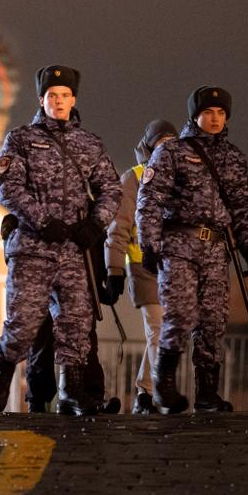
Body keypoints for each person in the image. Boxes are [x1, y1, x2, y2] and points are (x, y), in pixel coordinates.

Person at [0, 65, 122, 415]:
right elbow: (8, 187)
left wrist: (95, 224)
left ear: (73, 99)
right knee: (24, 325)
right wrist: (42, 220)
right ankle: (3, 371)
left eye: (64, 96)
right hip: (33, 247)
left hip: (72, 250)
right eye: (52, 96)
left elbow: (110, 189)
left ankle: (73, 392)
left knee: (77, 323)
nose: (58, 102)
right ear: (41, 99)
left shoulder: (89, 144)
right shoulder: (21, 139)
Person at [137, 86, 248, 414]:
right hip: (179, 244)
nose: (215, 119)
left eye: (221, 113)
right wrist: (148, 243)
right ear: (195, 116)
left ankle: (207, 394)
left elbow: (242, 206)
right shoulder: (173, 152)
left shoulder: (234, 157)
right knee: (179, 314)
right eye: (208, 113)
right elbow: (150, 199)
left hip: (216, 249)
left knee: (213, 320)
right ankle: (163, 385)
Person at [107, 118, 178, 414]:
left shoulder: (184, 180)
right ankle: (157, 394)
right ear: (149, 147)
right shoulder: (134, 178)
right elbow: (119, 226)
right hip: (143, 266)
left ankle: (145, 393)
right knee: (158, 329)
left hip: (176, 268)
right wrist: (114, 269)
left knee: (167, 332)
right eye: (162, 145)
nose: (167, 152)